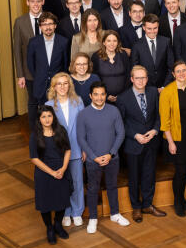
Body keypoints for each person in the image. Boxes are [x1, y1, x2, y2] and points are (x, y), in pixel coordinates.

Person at [76, 81, 128, 234]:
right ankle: (93, 218)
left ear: (106, 95)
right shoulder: (83, 114)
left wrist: (110, 153)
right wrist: (94, 157)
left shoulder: (114, 111)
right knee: (93, 189)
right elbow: (81, 139)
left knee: (112, 186)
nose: (99, 98)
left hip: (112, 158)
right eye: (96, 94)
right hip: (93, 160)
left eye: (102, 94)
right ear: (90, 96)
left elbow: (121, 133)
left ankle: (115, 214)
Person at [116, 66, 166, 222]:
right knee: (134, 177)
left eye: (143, 78)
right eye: (137, 78)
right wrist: (135, 135)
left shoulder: (152, 92)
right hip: (133, 144)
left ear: (147, 78)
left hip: (151, 142)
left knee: (149, 175)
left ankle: (147, 204)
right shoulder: (123, 98)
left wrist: (155, 130)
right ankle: (136, 208)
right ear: (131, 79)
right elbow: (121, 123)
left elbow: (159, 115)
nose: (141, 81)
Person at [44, 73, 85, 227]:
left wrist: (84, 148)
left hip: (76, 148)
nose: (62, 86)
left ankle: (77, 212)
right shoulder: (48, 105)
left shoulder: (78, 101)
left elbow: (83, 126)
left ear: (70, 85)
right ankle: (66, 212)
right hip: (58, 152)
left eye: (65, 83)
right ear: (54, 87)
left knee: (77, 182)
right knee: (62, 184)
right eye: (59, 84)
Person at [159, 60, 186, 217]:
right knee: (180, 171)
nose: (181, 73)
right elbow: (165, 121)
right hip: (176, 138)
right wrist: (170, 142)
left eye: (184, 70)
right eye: (178, 71)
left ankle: (182, 200)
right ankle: (177, 202)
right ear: (173, 74)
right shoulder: (167, 92)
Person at [30, 105, 72, 244]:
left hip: (61, 170)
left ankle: (58, 225)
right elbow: (34, 158)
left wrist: (64, 168)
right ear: (39, 119)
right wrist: (52, 172)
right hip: (44, 172)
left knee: (62, 200)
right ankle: (49, 228)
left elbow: (67, 150)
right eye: (43, 117)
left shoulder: (61, 131)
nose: (47, 119)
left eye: (49, 116)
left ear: (53, 117)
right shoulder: (35, 135)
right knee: (45, 203)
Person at [27, 12, 70, 129]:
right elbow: (30, 64)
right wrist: (39, 77)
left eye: (50, 24)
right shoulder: (33, 42)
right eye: (44, 24)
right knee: (43, 116)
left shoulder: (64, 42)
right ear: (40, 26)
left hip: (58, 86)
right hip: (40, 85)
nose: (48, 27)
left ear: (55, 25)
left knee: (58, 116)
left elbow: (65, 65)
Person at [13, 0, 45, 126]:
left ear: (43, 1)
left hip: (48, 70)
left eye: (38, 1)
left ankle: (49, 133)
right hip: (29, 72)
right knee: (32, 102)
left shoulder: (50, 18)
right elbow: (17, 50)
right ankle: (34, 133)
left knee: (48, 102)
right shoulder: (20, 22)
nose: (36, 4)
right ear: (27, 2)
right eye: (32, 1)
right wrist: (20, 75)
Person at [131, 14, 174, 88]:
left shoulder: (166, 42)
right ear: (144, 27)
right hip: (146, 87)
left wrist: (164, 86)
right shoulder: (136, 45)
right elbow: (135, 69)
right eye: (149, 28)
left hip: (164, 86)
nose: (152, 31)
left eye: (155, 28)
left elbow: (171, 66)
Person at [91, 30, 130, 102]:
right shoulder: (96, 56)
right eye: (109, 41)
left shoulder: (123, 55)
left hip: (123, 97)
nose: (112, 44)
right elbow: (94, 78)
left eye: (114, 41)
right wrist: (106, 95)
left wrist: (122, 94)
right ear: (104, 42)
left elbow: (128, 75)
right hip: (102, 98)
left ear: (118, 42)